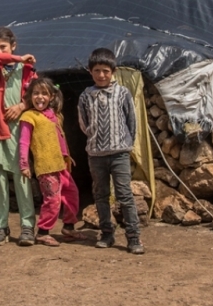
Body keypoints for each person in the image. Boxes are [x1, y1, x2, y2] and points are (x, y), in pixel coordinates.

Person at [77, 48, 144, 255]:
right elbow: (83, 123)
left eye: (106, 71)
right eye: (97, 70)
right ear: (90, 71)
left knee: (125, 195)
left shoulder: (123, 93)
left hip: (120, 154)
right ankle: (106, 233)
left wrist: (124, 143)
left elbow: (131, 121)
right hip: (96, 154)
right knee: (101, 194)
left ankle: (133, 237)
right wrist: (96, 138)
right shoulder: (86, 96)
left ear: (113, 71)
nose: (102, 75)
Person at [0, 27, 38, 246]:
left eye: (3, 46)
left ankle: (27, 226)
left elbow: (38, 94)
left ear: (13, 45)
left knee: (22, 177)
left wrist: (22, 105)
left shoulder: (28, 70)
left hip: (18, 130)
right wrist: (18, 57)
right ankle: (1, 226)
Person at [19, 77, 81, 247]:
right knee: (52, 200)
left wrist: (66, 156)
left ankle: (68, 227)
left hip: (61, 165)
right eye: (36, 93)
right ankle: (43, 232)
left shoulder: (54, 116)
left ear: (52, 96)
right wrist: (24, 165)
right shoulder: (29, 117)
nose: (40, 97)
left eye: (44, 94)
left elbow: (60, 138)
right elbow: (24, 143)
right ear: (30, 96)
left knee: (71, 195)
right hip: (46, 167)